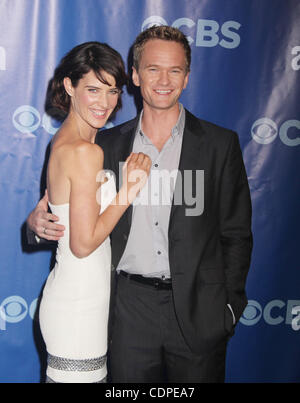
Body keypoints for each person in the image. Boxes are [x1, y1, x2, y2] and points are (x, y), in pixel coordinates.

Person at [27, 26, 252, 383]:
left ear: (187, 77)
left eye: (174, 70)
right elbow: (64, 209)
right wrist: (37, 222)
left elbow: (236, 233)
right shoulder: (107, 144)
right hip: (126, 312)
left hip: (198, 312)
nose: (164, 80)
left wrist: (229, 307)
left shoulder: (219, 144)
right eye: (152, 68)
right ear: (135, 75)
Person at [29, 41, 151, 383]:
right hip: (78, 306)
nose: (105, 103)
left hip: (81, 300)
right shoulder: (85, 151)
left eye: (112, 91)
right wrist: (128, 189)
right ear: (69, 86)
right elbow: (83, 245)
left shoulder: (69, 141)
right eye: (93, 90)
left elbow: (60, 212)